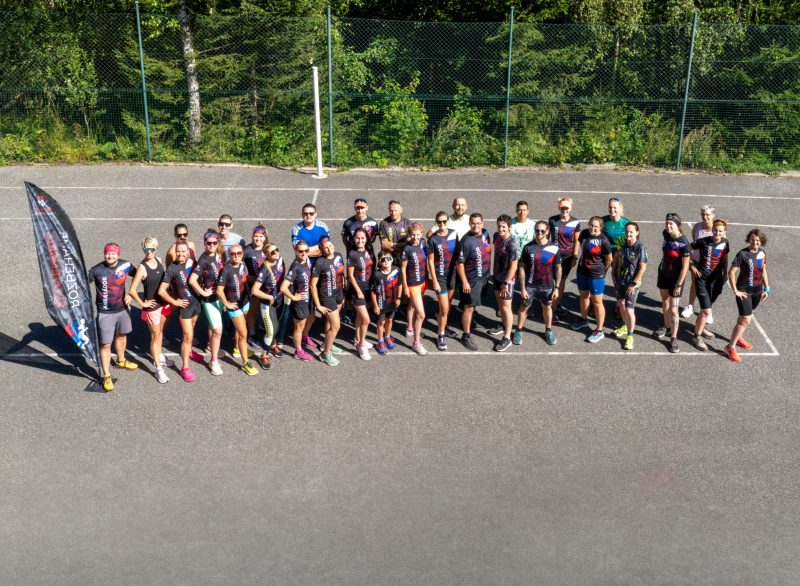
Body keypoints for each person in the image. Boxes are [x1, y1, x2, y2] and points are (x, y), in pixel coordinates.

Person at [88, 243, 137, 392]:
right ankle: (106, 375)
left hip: (123, 309)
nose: (110, 256)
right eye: (108, 253)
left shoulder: (126, 265)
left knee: (122, 335)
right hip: (105, 312)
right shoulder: (96, 270)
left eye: (113, 253)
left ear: (118, 254)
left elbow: (140, 275)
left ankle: (120, 360)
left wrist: (131, 294)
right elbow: (81, 285)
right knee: (106, 345)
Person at [128, 237, 173, 384]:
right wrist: (143, 303)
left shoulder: (158, 260)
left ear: (156, 249)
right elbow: (132, 290)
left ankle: (159, 356)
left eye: (152, 249)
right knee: (155, 335)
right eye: (146, 249)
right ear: (143, 249)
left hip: (163, 303)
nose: (149, 252)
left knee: (160, 332)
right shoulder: (142, 268)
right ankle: (158, 369)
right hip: (152, 307)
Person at [159, 242, 204, 381]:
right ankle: (185, 368)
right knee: (188, 336)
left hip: (196, 302)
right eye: (178, 251)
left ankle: (189, 351)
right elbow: (161, 291)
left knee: (192, 328)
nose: (180, 254)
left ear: (188, 252)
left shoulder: (192, 261)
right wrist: (175, 302)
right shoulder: (172, 268)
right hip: (185, 306)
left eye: (183, 251)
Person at [726, 229, 769, 362]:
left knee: (744, 319)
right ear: (748, 239)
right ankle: (730, 347)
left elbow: (763, 270)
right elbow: (731, 273)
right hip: (744, 292)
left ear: (761, 241)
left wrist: (767, 288)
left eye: (757, 240)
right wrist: (736, 291)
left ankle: (738, 337)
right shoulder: (743, 254)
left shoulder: (762, 253)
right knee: (745, 320)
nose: (754, 242)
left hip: (757, 291)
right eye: (752, 240)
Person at [515, 221, 561, 346]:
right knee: (524, 307)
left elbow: (558, 268)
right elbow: (522, 267)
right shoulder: (528, 247)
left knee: (547, 307)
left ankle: (548, 331)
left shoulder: (554, 248)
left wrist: (557, 288)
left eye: (542, 231)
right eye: (537, 230)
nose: (539, 233)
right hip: (530, 285)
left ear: (547, 232)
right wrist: (522, 288)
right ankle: (518, 330)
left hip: (547, 286)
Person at [217, 244, 259, 375]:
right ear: (229, 255)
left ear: (242, 254)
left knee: (241, 329)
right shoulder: (226, 270)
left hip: (245, 302)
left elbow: (244, 281)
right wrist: (227, 304)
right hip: (234, 306)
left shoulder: (242, 265)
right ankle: (245, 363)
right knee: (243, 334)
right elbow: (219, 290)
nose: (236, 256)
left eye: (239, 253)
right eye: (233, 254)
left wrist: (250, 295)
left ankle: (237, 349)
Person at [570, 217, 613, 343]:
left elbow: (609, 259)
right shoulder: (584, 233)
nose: (592, 228)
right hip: (581, 271)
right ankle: (584, 320)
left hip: (596, 275)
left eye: (596, 226)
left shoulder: (603, 240)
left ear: (600, 228)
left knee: (597, 302)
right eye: (591, 225)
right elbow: (578, 244)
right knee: (584, 297)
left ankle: (600, 331)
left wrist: (602, 271)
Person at [189, 229, 226, 376]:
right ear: (205, 243)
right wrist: (203, 292)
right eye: (209, 243)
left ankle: (210, 347)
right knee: (218, 330)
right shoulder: (203, 259)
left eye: (214, 243)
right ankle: (213, 361)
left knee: (212, 324)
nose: (211, 245)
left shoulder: (217, 255)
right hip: (210, 299)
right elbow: (192, 280)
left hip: (219, 297)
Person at [654, 213, 691, 353]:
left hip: (676, 279)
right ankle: (667, 326)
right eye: (667, 223)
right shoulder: (666, 234)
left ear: (678, 225)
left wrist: (678, 285)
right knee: (665, 301)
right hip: (663, 273)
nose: (668, 226)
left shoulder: (684, 243)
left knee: (674, 310)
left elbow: (685, 267)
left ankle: (674, 337)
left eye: (671, 224)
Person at [690, 219, 729, 351]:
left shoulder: (725, 243)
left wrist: (725, 274)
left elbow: (725, 258)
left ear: (724, 232)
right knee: (706, 310)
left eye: (720, 231)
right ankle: (696, 337)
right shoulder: (703, 241)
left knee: (707, 308)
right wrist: (692, 266)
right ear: (712, 230)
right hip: (702, 279)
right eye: (715, 230)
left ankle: (700, 328)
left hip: (717, 280)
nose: (717, 233)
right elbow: (686, 249)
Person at [456, 213, 492, 351]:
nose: (476, 226)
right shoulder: (466, 241)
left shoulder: (485, 233)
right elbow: (459, 264)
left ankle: (468, 321)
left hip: (484, 277)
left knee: (473, 304)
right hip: (472, 279)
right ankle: (466, 335)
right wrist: (464, 282)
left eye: (478, 223)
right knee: (469, 307)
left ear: (482, 223)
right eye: (473, 223)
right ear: (469, 224)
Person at [610, 223, 648, 350]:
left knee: (629, 310)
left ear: (637, 232)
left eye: (631, 232)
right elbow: (616, 257)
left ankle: (630, 336)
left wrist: (633, 284)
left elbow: (642, 268)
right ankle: (624, 326)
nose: (628, 234)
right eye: (627, 231)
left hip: (632, 283)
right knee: (621, 303)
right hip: (619, 279)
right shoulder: (620, 241)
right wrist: (613, 273)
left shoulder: (640, 247)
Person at [426, 211, 460, 350]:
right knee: (444, 309)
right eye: (439, 222)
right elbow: (430, 261)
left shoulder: (454, 234)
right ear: (436, 222)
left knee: (447, 306)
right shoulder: (433, 239)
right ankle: (440, 335)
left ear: (448, 221)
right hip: (440, 277)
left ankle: (443, 327)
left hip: (453, 275)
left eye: (444, 221)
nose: (442, 224)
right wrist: (434, 280)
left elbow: (457, 255)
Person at [311, 236, 346, 366]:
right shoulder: (320, 263)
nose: (329, 249)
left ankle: (327, 344)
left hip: (339, 294)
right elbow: (313, 285)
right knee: (336, 326)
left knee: (330, 323)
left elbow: (341, 274)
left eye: (330, 246)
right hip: (327, 297)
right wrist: (318, 305)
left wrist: (343, 289)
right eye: (326, 248)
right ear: (322, 250)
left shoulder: (338, 256)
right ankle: (325, 354)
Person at [250, 243, 285, 369]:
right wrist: (269, 297)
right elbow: (255, 290)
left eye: (277, 250)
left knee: (276, 326)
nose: (276, 253)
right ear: (266, 255)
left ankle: (273, 345)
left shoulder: (281, 260)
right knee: (271, 331)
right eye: (272, 252)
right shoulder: (264, 269)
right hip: (267, 304)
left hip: (280, 300)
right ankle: (263, 356)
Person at [280, 241, 316, 362]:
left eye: (306, 250)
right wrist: (293, 297)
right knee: (298, 328)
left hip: (309, 299)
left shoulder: (306, 260)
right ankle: (298, 351)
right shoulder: (295, 267)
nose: (304, 253)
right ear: (296, 250)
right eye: (301, 251)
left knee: (311, 319)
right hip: (300, 303)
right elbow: (283, 287)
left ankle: (304, 338)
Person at [488, 215, 520, 352]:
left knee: (506, 308)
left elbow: (514, 266)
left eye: (503, 227)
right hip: (497, 276)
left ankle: (507, 338)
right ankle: (503, 325)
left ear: (509, 227)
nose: (500, 229)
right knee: (499, 302)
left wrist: (506, 283)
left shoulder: (512, 244)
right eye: (499, 226)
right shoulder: (496, 236)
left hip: (507, 281)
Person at [548, 198, 581, 321]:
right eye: (562, 208)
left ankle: (556, 305)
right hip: (553, 255)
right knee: (555, 281)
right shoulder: (552, 220)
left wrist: (575, 257)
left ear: (570, 208)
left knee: (561, 281)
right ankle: (553, 307)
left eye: (567, 208)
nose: (564, 210)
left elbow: (576, 241)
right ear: (559, 207)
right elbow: (547, 237)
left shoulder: (575, 222)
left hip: (567, 256)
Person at [682, 205, 716, 320]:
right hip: (697, 260)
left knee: (709, 287)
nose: (705, 217)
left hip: (711, 263)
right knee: (695, 283)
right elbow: (694, 243)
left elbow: (722, 247)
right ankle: (690, 306)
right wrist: (692, 263)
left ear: (713, 215)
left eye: (707, 214)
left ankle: (707, 311)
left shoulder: (717, 229)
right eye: (703, 214)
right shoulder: (697, 227)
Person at [400, 222, 429, 356]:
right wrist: (405, 286)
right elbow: (403, 269)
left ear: (421, 234)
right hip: (413, 284)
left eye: (417, 235)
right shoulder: (407, 249)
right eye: (412, 235)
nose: (415, 238)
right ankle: (416, 343)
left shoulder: (423, 243)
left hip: (423, 281)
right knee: (421, 315)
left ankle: (410, 329)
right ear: (409, 234)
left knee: (412, 306)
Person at [346, 229, 374, 360]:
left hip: (368, 290)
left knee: (359, 316)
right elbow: (350, 275)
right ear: (353, 239)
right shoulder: (352, 254)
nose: (360, 240)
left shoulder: (369, 251)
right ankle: (361, 346)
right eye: (357, 238)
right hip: (357, 291)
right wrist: (358, 291)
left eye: (362, 238)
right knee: (366, 319)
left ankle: (357, 339)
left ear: (366, 238)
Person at [601, 198, 631, 320]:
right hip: (605, 254)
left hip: (620, 255)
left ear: (620, 208)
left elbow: (632, 240)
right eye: (610, 207)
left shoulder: (625, 223)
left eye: (615, 207)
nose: (612, 209)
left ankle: (619, 304)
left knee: (618, 280)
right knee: (600, 277)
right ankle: (597, 302)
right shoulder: (603, 221)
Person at [243, 223, 268, 349]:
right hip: (253, 286)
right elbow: (234, 264)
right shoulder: (247, 250)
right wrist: (245, 276)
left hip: (267, 286)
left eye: (261, 237)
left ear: (265, 238)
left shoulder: (269, 248)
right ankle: (252, 334)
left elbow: (278, 261)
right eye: (255, 236)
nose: (258, 239)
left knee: (267, 308)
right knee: (253, 310)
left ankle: (265, 326)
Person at [371, 252, 402, 356]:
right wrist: (375, 305)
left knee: (390, 320)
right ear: (379, 262)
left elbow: (400, 284)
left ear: (392, 259)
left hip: (392, 302)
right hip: (381, 303)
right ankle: (380, 341)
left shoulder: (396, 270)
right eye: (383, 260)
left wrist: (399, 298)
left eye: (388, 258)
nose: (386, 261)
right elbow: (373, 291)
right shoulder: (377, 275)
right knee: (381, 322)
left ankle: (387, 337)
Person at [379, 200, 412, 265]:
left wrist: (392, 244)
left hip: (405, 260)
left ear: (401, 209)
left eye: (395, 210)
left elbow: (409, 244)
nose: (393, 213)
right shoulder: (383, 224)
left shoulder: (408, 223)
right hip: (389, 261)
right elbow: (385, 246)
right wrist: (402, 250)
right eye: (391, 210)